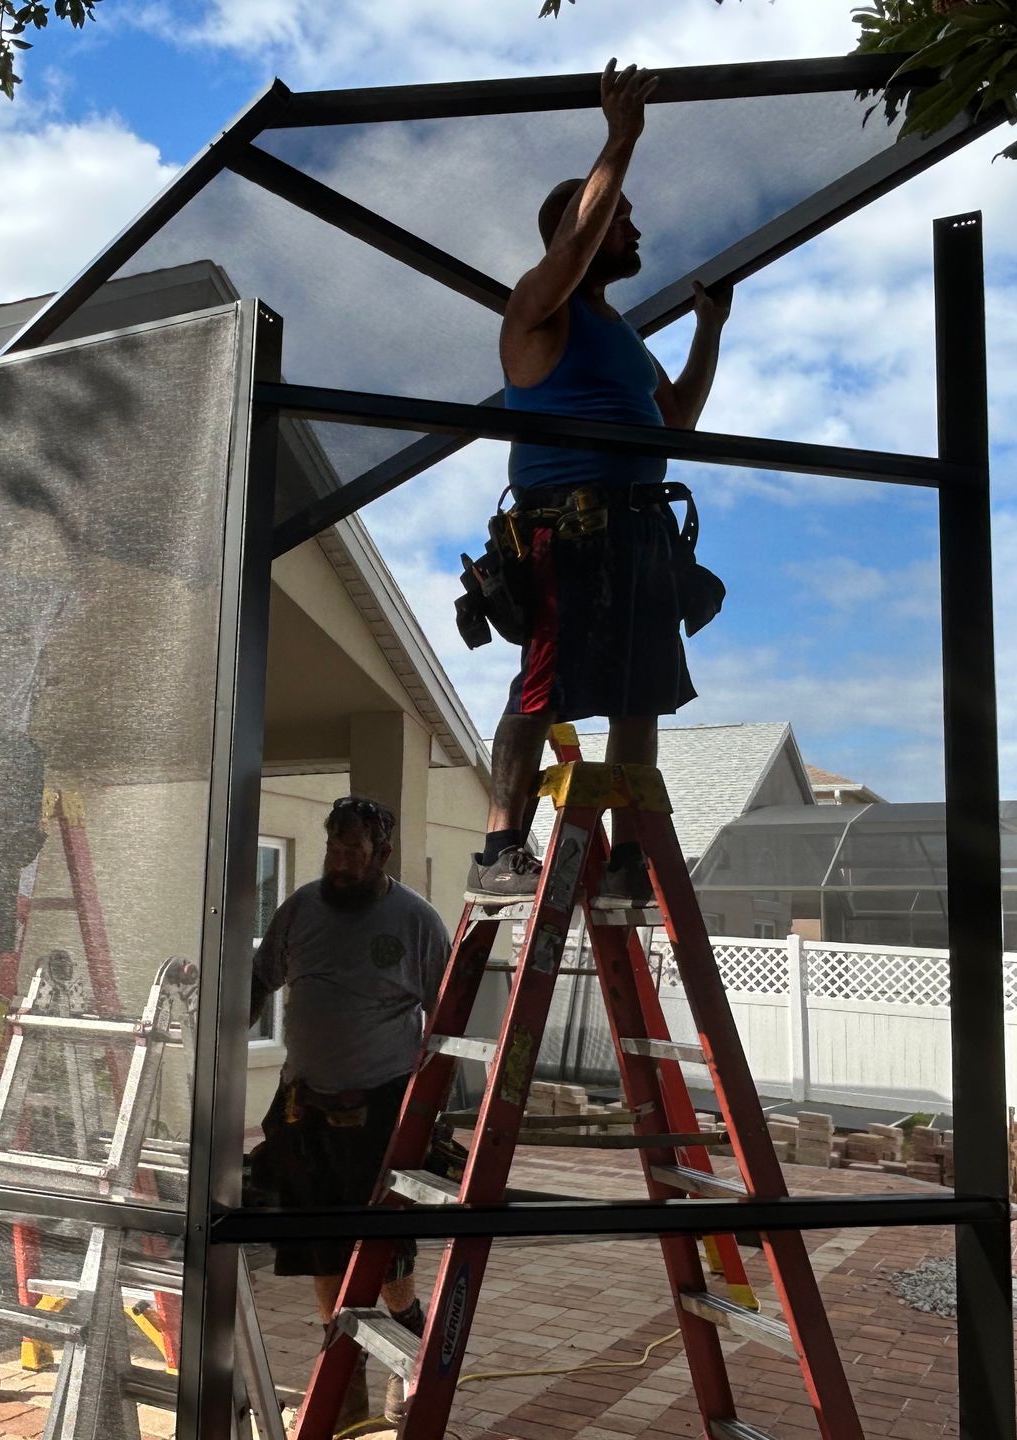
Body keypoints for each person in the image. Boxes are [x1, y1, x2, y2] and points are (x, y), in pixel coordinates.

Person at [466, 58, 733, 906]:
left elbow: (678, 420)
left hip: (637, 529)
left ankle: (625, 861)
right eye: (623, 220)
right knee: (540, 690)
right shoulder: (538, 308)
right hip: (563, 530)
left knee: (638, 695)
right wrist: (619, 140)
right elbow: (574, 246)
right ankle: (500, 849)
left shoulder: (622, 334)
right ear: (577, 231)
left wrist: (708, 330)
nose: (637, 231)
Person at [249, 795, 451, 1428]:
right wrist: (225, 1036)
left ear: (381, 854)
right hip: (305, 1109)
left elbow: (447, 1022)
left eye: (353, 852)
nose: (339, 863)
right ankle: (345, 1378)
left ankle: (406, 1358)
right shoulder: (301, 909)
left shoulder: (415, 922)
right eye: (333, 849)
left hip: (381, 1111)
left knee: (386, 1261)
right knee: (323, 1252)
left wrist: (432, 1113)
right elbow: (260, 980)